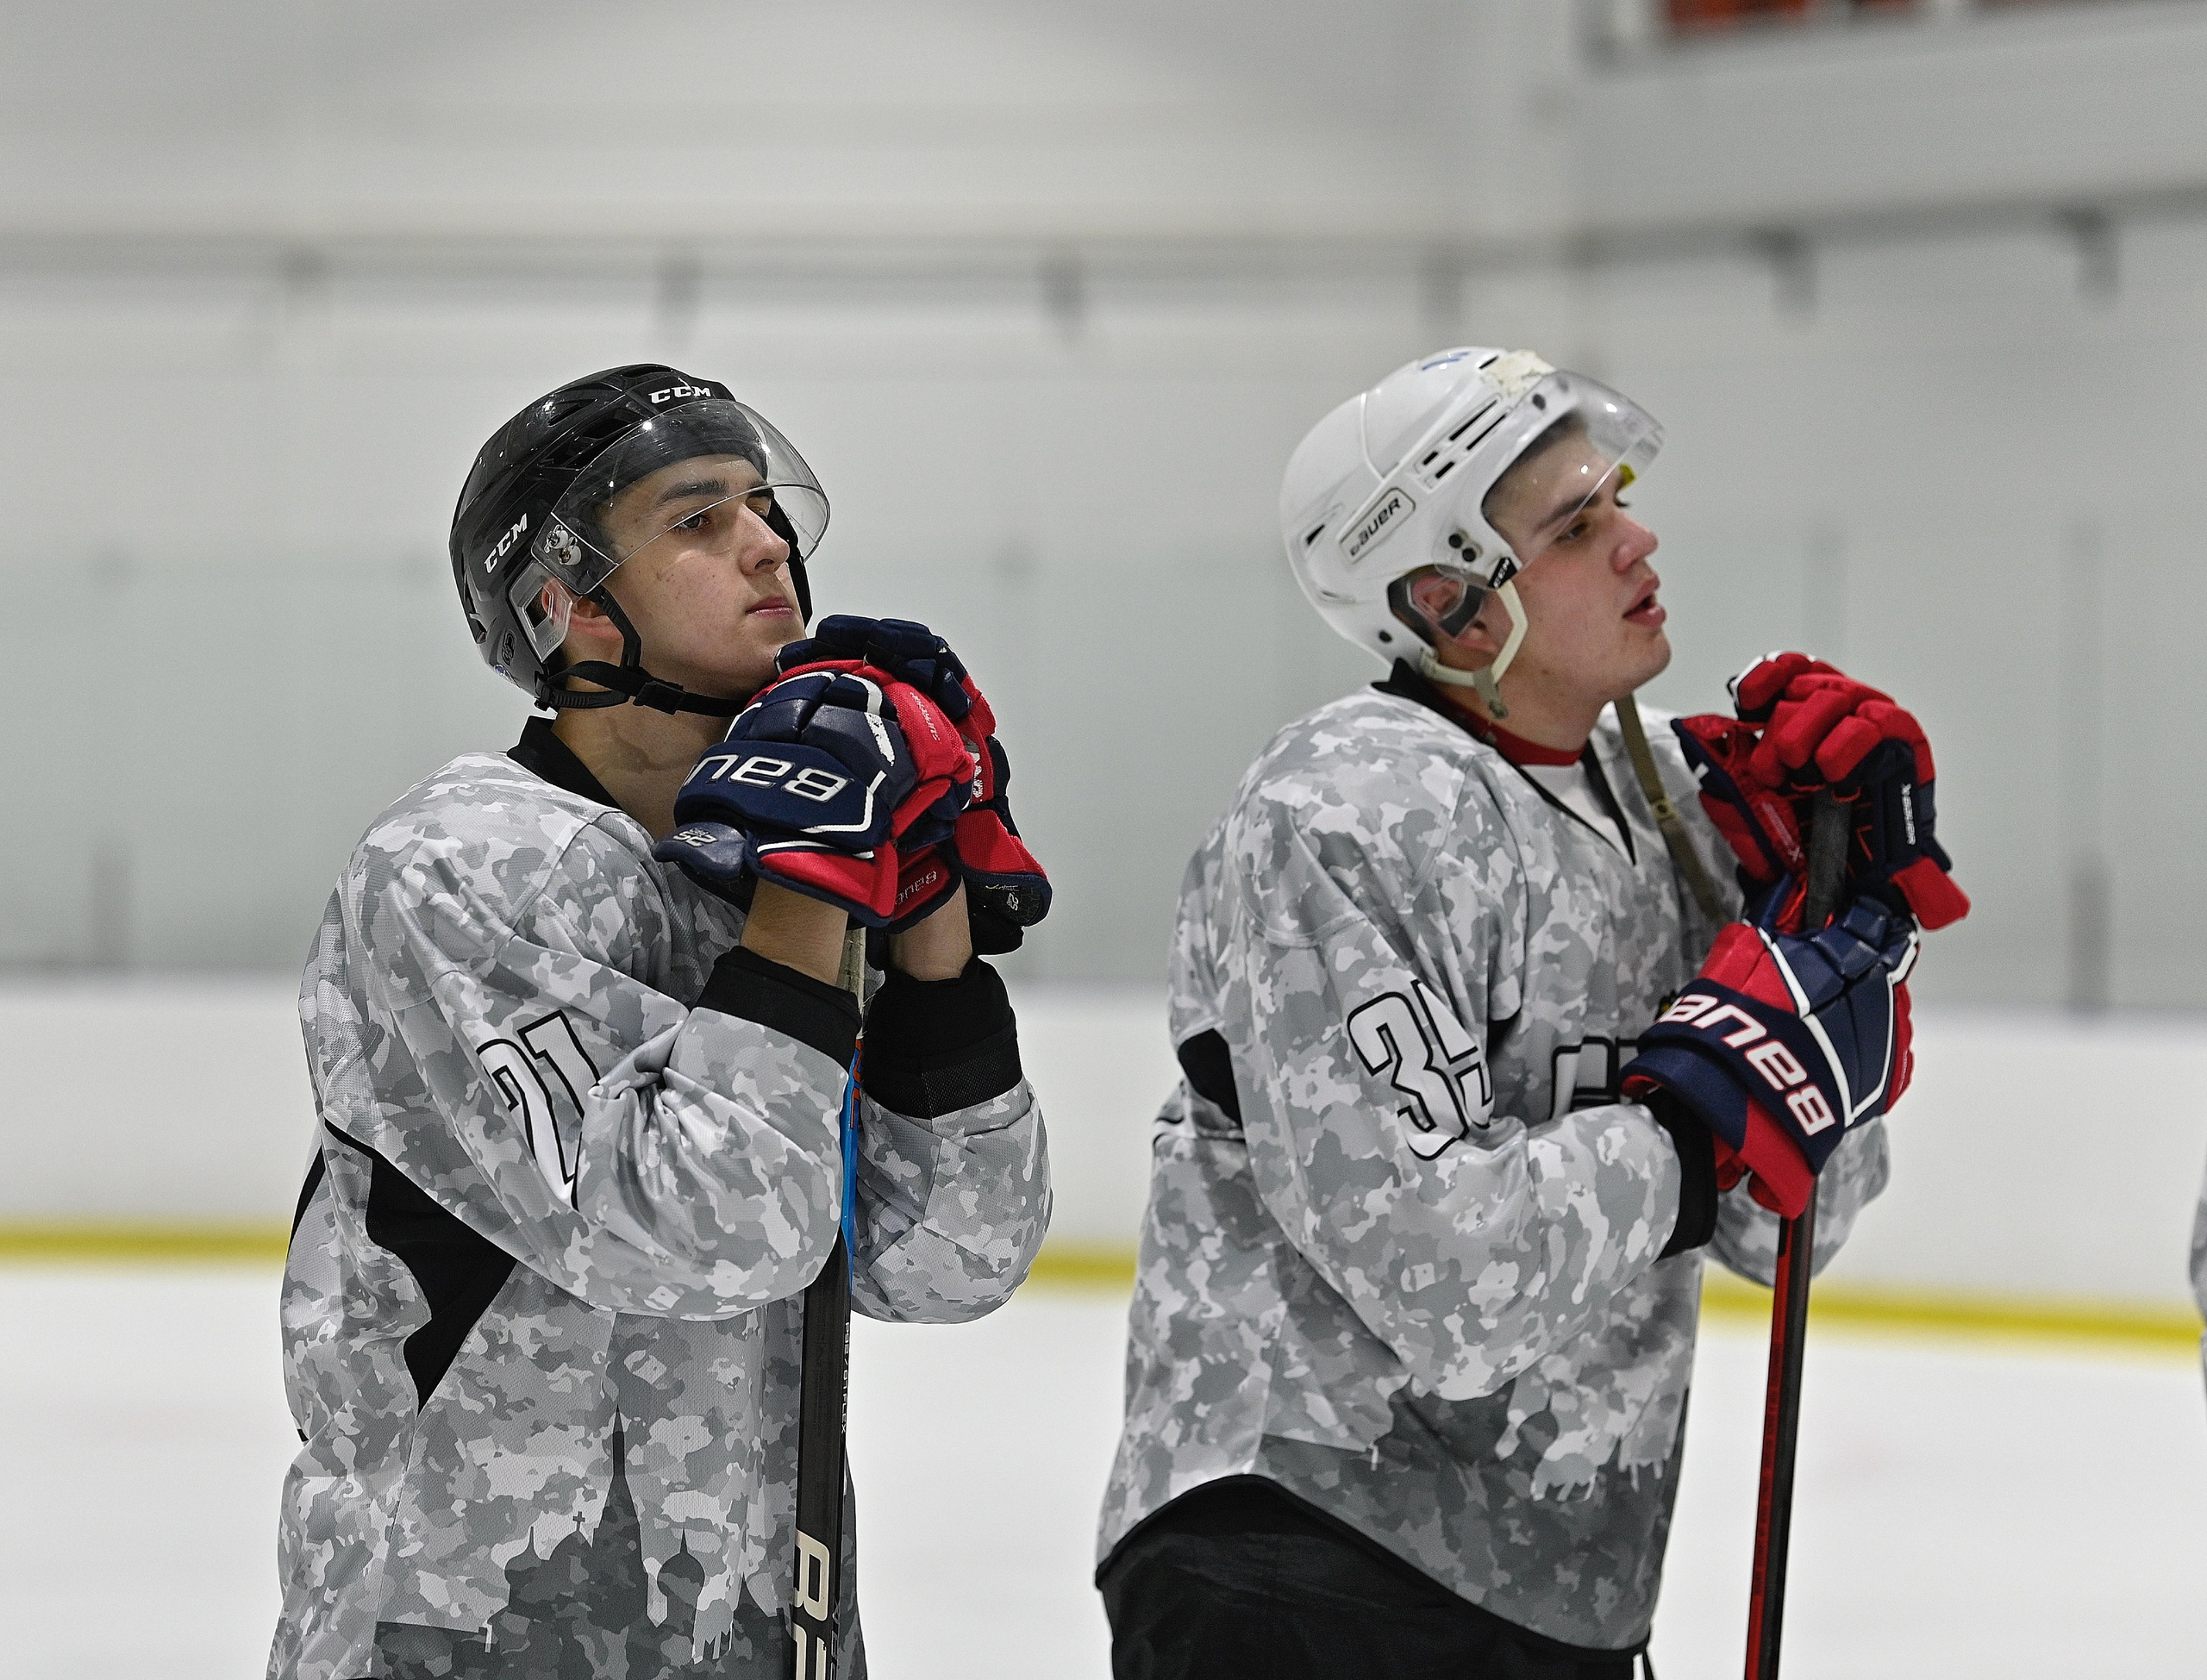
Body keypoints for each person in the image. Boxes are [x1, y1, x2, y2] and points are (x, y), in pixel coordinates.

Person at [1096, 347, 1964, 1677]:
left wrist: (1840, 922)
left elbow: (1786, 1221)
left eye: (1613, 497)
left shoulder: (1676, 800)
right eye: (1577, 526)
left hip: (1566, 1585)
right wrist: (1694, 1121)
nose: (1638, 537)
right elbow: (1440, 1281)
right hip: (1307, 1554)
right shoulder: (1347, 814)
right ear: (1446, 602)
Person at [273, 365, 1051, 1680]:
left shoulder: (746, 880)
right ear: (563, 606)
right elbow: (704, 1235)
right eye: (696, 519)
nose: (767, 543)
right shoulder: (457, 867)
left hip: (757, 1635)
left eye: (764, 507)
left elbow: (952, 1260)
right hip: (460, 1640)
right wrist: (815, 881)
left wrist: (926, 925)